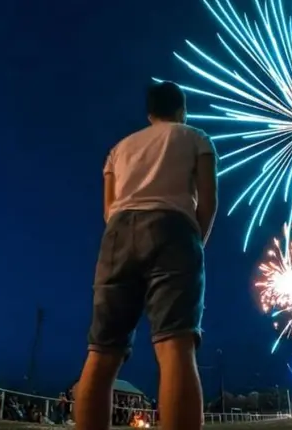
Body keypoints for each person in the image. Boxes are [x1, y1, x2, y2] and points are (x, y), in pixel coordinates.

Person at [75, 81, 218, 430]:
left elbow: (109, 210)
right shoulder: (196, 138)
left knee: (102, 351)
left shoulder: (118, 150)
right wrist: (194, 243)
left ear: (150, 113)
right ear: (182, 110)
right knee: (175, 348)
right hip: (174, 229)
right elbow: (208, 201)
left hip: (118, 234)